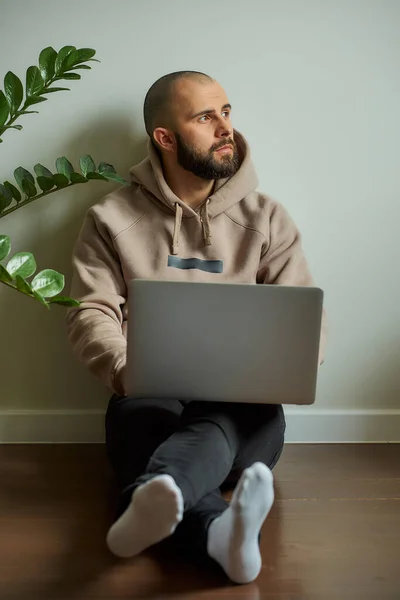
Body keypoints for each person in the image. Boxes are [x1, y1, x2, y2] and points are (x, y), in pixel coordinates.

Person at [66, 71, 327, 584]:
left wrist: (285, 368)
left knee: (220, 423)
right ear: (165, 138)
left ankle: (156, 494)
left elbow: (304, 320)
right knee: (145, 424)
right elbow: (89, 311)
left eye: (226, 112)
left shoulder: (268, 218)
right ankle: (217, 532)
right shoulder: (109, 218)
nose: (225, 127)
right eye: (206, 117)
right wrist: (127, 370)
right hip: (148, 400)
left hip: (244, 413)